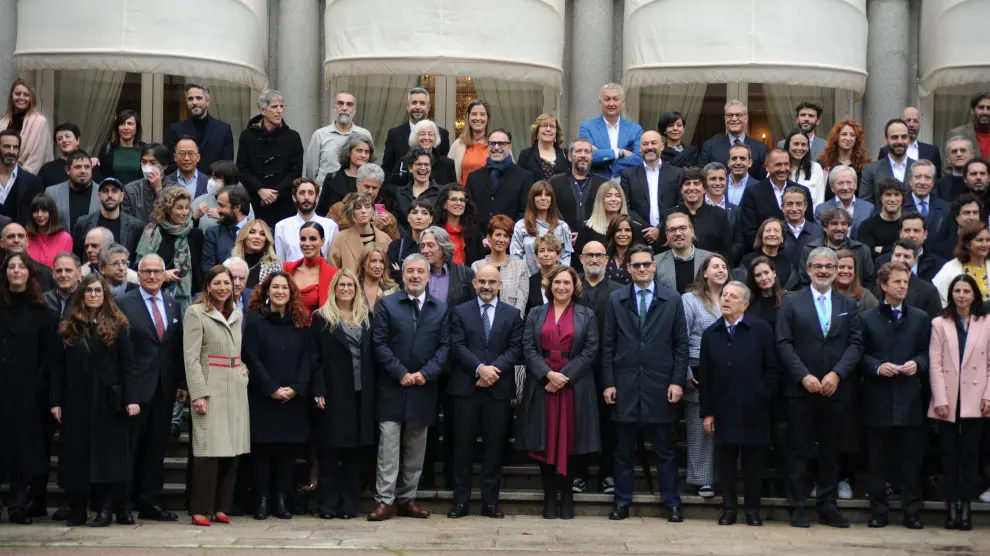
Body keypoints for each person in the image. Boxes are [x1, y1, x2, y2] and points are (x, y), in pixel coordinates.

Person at [777, 247, 864, 528]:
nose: (824, 271)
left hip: (835, 389)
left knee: (831, 450)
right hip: (801, 389)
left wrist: (837, 374)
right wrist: (803, 376)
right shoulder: (791, 302)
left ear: (837, 270)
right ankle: (798, 506)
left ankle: (827, 506)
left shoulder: (848, 304)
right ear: (809, 269)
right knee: (798, 450)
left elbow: (855, 344)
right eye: (819, 266)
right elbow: (784, 343)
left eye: (829, 266)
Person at [602, 243, 687, 523]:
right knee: (623, 450)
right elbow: (608, 344)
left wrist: (677, 381)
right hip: (625, 384)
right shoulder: (616, 300)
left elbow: (680, 344)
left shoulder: (672, 299)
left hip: (660, 385)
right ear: (628, 268)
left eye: (645, 264)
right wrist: (609, 382)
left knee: (664, 449)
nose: (641, 269)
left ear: (653, 266)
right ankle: (622, 502)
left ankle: (672, 503)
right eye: (635, 265)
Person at [51, 272, 138, 527]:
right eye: (88, 291)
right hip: (75, 401)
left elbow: (128, 367)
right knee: (76, 457)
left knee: (107, 459)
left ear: (105, 295)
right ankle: (78, 508)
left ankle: (106, 509)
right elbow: (57, 367)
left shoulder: (118, 325)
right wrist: (55, 401)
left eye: (98, 291)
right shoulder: (68, 326)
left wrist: (131, 399)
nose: (93, 295)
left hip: (107, 402)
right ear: (81, 295)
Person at [368, 254, 450, 521]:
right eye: (410, 271)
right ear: (402, 275)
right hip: (392, 387)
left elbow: (445, 347)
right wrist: (401, 373)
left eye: (420, 272)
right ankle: (385, 501)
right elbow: (378, 344)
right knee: (388, 449)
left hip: (423, 388)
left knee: (416, 449)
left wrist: (425, 374)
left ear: (428, 276)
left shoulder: (440, 308)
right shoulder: (387, 305)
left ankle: (408, 498)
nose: (415, 276)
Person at [518, 265, 600, 519]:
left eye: (567, 282)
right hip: (543, 385)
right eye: (557, 282)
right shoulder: (535, 313)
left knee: (570, 441)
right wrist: (548, 375)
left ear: (574, 286)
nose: (561, 287)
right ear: (549, 285)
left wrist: (564, 377)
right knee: (545, 440)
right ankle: (549, 498)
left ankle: (567, 497)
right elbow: (529, 348)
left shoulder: (586, 314)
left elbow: (590, 349)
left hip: (573, 386)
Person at [446, 264, 524, 519]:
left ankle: (490, 502)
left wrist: (492, 371)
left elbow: (515, 349)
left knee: (494, 449)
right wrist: (479, 369)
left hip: (498, 391)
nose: (487, 287)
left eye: (492, 282)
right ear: (474, 283)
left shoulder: (512, 314)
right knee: (462, 448)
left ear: (500, 285)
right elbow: (456, 345)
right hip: (466, 389)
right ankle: (461, 502)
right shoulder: (460, 311)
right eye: (482, 282)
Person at [699, 280, 777, 526]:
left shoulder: (761, 329)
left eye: (733, 297)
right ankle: (729, 509)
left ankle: (752, 510)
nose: (726, 299)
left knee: (754, 463)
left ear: (745, 304)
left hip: (755, 408)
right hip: (723, 408)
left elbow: (773, 370)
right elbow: (706, 376)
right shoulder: (711, 334)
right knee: (725, 463)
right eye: (724, 295)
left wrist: (761, 395)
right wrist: (707, 412)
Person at [859, 262, 930, 529]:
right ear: (884, 285)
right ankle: (879, 511)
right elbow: (860, 355)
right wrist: (877, 366)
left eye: (905, 282)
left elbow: (926, 353)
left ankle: (912, 511)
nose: (902, 286)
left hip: (910, 398)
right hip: (878, 398)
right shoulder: (867, 318)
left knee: (911, 460)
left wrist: (918, 364)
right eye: (897, 282)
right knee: (877, 460)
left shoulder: (920, 318)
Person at [115, 253, 185, 523]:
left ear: (164, 273)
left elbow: (174, 347)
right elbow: (120, 350)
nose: (153, 276)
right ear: (139, 274)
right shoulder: (123, 303)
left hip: (164, 390)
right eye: (147, 272)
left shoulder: (172, 303)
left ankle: (150, 502)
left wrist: (180, 382)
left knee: (156, 451)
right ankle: (122, 504)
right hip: (135, 390)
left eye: (158, 271)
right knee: (130, 448)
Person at [182, 265, 249, 526]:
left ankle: (222, 505)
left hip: (235, 386)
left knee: (232, 447)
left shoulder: (237, 313)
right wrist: (198, 393)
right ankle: (201, 508)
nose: (223, 288)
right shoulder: (195, 313)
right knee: (207, 448)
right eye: (217, 283)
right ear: (208, 286)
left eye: (227, 283)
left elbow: (237, 350)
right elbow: (191, 357)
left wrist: (243, 371)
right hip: (210, 385)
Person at [241, 271, 311, 520]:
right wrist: (271, 388)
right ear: (266, 291)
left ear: (291, 293)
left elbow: (307, 360)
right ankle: (262, 500)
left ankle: (281, 500)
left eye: (285, 288)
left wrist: (296, 387)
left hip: (293, 400)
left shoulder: (301, 323)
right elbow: (251, 357)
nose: (280, 291)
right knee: (262, 452)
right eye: (275, 287)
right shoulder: (255, 321)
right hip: (263, 397)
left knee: (288, 453)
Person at [309, 269, 376, 520]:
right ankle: (327, 505)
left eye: (350, 285)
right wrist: (318, 390)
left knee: (354, 455)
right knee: (329, 453)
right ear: (333, 288)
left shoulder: (367, 318)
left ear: (356, 289)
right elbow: (314, 359)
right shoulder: (321, 318)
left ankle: (349, 506)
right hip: (334, 394)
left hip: (362, 394)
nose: (346, 289)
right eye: (341, 285)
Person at [929, 274, 990, 531]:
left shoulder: (986, 322)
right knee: (950, 455)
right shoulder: (940, 323)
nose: (962, 296)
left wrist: (988, 395)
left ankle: (965, 506)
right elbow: (935, 363)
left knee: (970, 454)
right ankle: (951, 506)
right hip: (949, 397)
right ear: (951, 294)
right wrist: (940, 399)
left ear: (974, 294)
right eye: (957, 291)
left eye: (966, 291)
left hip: (976, 399)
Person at [0, 252, 56, 525]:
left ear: (30, 273)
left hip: (29, 392)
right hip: (1, 388)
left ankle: (18, 504)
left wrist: (37, 383)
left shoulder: (43, 311)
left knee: (24, 451)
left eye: (21, 266)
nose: (16, 271)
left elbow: (48, 355)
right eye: (11, 267)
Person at [681, 253, 731, 499]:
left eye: (724, 266)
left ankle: (724, 478)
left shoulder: (734, 297)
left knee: (726, 426)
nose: (721, 270)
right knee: (700, 428)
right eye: (715, 266)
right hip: (698, 370)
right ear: (704, 272)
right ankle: (702, 480)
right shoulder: (690, 300)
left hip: (729, 372)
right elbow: (680, 338)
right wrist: (685, 373)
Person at [574, 240, 622, 493]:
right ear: (581, 259)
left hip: (609, 368)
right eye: (589, 255)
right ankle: (578, 474)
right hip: (576, 368)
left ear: (607, 259)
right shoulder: (572, 289)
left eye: (599, 255)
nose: (594, 259)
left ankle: (608, 475)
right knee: (577, 422)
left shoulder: (619, 291)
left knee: (608, 424)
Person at [237, 90, 304, 228]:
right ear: (262, 110)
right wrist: (260, 190)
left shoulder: (293, 137)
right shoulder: (247, 136)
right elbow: (242, 169)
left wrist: (276, 192)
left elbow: (296, 171)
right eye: (274, 107)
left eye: (281, 106)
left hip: (284, 203)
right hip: (255, 202)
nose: (279, 111)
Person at [135, 188, 205, 311]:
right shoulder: (152, 233)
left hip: (190, 302)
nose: (184, 212)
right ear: (167, 210)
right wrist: (162, 275)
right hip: (156, 298)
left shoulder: (195, 234)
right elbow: (139, 269)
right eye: (179, 208)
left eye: (187, 207)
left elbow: (199, 273)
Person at [620, 130, 683, 247]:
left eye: (653, 143)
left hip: (670, 236)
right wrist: (647, 229)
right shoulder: (628, 175)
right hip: (639, 237)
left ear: (662, 146)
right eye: (645, 144)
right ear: (640, 148)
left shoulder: (677, 173)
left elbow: (679, 205)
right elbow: (625, 206)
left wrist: (660, 229)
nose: (649, 147)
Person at [740, 148, 814, 248]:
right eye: (778, 165)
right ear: (767, 167)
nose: (783, 169)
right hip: (765, 254)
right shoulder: (753, 192)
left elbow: (809, 225)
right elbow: (749, 231)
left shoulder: (802, 191)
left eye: (786, 164)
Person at [466, 129, 535, 230]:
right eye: (492, 144)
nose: (496, 147)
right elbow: (468, 212)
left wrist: (506, 235)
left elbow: (526, 212)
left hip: (510, 240)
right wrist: (481, 238)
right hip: (479, 241)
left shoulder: (524, 177)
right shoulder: (473, 178)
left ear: (510, 146)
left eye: (501, 144)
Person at [798, 206, 875, 288]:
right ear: (825, 227)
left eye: (844, 224)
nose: (839, 228)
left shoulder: (862, 250)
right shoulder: (810, 250)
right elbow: (804, 281)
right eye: (834, 223)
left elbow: (869, 282)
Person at [663, 167, 732, 259]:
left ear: (704, 189)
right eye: (687, 184)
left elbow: (726, 252)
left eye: (696, 183)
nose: (692, 188)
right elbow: (663, 250)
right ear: (681, 190)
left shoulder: (719, 215)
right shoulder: (669, 216)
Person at [71, 177, 143, 263]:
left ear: (122, 196)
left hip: (122, 274)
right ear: (99, 196)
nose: (110, 195)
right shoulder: (83, 223)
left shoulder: (135, 226)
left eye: (114, 191)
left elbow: (136, 260)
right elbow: (76, 256)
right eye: (105, 191)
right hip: (91, 274)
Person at [304, 91, 370, 185]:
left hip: (355, 193)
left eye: (349, 104)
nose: (344, 108)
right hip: (325, 193)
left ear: (354, 110)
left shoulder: (364, 134)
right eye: (340, 103)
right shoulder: (320, 135)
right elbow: (311, 172)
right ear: (334, 108)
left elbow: (369, 167)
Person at [165, 83, 235, 172]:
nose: (194, 102)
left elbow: (227, 165)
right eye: (190, 99)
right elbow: (171, 163)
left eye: (199, 98)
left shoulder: (223, 129)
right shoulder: (175, 129)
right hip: (183, 183)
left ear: (207, 101)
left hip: (213, 182)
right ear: (186, 102)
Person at [579, 83, 643, 178]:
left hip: (626, 183)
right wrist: (620, 152)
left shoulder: (635, 129)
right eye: (607, 99)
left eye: (615, 99)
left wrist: (612, 165)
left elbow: (638, 159)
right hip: (597, 183)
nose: (611, 103)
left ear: (623, 102)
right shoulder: (587, 127)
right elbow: (589, 156)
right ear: (600, 102)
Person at [382, 87, 451, 174]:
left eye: (422, 103)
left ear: (428, 107)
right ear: (407, 107)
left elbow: (444, 167)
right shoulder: (394, 135)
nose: (418, 107)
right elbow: (387, 169)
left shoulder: (442, 134)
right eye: (414, 103)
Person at [511, 181, 573, 276]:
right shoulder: (521, 226)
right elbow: (516, 257)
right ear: (532, 199)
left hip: (555, 281)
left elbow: (566, 257)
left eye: (547, 195)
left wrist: (559, 278)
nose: (543, 198)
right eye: (539, 195)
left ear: (552, 199)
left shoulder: (563, 227)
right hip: (527, 281)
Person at [872, 238, 942, 319]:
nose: (901, 260)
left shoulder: (929, 292)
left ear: (915, 261)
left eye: (907, 256)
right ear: (891, 257)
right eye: (897, 255)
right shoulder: (879, 288)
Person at [273, 177, 338, 263]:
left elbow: (333, 263)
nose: (306, 197)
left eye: (311, 193)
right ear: (294, 197)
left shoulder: (330, 226)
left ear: (317, 198)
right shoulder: (282, 227)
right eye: (302, 193)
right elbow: (280, 263)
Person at [700, 100, 768, 180]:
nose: (734, 119)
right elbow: (702, 176)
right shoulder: (710, 146)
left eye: (738, 115)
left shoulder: (761, 148)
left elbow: (763, 180)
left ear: (746, 118)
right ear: (725, 119)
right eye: (730, 115)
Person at [573, 179, 641, 261]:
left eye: (617, 196)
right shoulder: (587, 228)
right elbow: (578, 259)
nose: (613, 199)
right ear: (600, 200)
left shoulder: (635, 227)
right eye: (608, 196)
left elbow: (641, 256)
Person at [548, 139, 605, 233]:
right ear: (569, 156)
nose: (583, 155)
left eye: (587, 152)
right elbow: (548, 212)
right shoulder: (554, 183)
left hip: (595, 241)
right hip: (561, 240)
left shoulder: (602, 184)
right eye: (578, 151)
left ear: (591, 156)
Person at [327, 164, 398, 240]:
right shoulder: (338, 209)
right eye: (367, 187)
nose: (370, 191)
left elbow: (395, 247)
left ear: (379, 188)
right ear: (357, 184)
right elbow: (327, 238)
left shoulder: (387, 217)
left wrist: (385, 229)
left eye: (374, 188)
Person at [283, 221, 339, 316]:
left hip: (316, 329)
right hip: (286, 328)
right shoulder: (286, 268)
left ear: (322, 241)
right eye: (303, 239)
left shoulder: (334, 274)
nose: (307, 243)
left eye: (313, 239)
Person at [329, 193, 392, 274]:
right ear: (351, 212)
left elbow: (389, 272)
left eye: (367, 207)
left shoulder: (385, 239)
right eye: (358, 208)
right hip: (350, 285)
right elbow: (333, 270)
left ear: (373, 210)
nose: (363, 211)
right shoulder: (341, 238)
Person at [0, 79, 52, 174]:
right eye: (18, 94)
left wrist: (15, 177)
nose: (21, 97)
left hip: (26, 178)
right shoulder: (2, 122)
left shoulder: (40, 121)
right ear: (12, 96)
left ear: (31, 98)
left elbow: (36, 159)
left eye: (26, 95)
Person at [933, 221, 990, 307]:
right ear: (967, 244)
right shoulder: (950, 268)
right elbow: (940, 301)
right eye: (980, 240)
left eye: (988, 240)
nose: (985, 244)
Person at [315, 132, 374, 216]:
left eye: (367, 152)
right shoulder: (332, 178)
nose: (363, 155)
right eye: (359, 151)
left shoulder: (373, 179)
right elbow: (322, 210)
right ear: (348, 152)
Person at [654, 212, 713, 294]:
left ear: (692, 231)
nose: (678, 233)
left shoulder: (710, 259)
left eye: (683, 228)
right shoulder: (656, 262)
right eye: (672, 230)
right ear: (667, 235)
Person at [387, 119, 456, 189]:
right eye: (422, 134)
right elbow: (392, 187)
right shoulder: (404, 162)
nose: (426, 138)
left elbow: (453, 190)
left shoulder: (447, 164)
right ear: (415, 137)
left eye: (430, 134)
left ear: (435, 138)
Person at [191, 160, 256, 231]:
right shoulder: (200, 201)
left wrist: (224, 218)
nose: (210, 181)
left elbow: (250, 230)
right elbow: (186, 229)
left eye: (215, 178)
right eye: (209, 177)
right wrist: (194, 218)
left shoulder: (243, 203)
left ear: (229, 179)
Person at [860, 119, 914, 203]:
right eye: (894, 137)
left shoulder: (918, 169)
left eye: (904, 137)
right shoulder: (871, 170)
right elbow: (865, 205)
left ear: (909, 139)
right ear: (886, 140)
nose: (899, 141)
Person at [814, 164, 875, 240]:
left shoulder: (868, 209)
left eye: (849, 182)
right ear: (832, 187)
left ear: (855, 185)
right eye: (840, 183)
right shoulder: (822, 209)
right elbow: (820, 238)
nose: (845, 187)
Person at [878, 107, 942, 177]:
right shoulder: (885, 151)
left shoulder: (932, 151)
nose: (912, 124)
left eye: (915, 121)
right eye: (908, 120)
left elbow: (936, 180)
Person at [902, 160, 951, 252]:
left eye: (927, 178)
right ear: (910, 181)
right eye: (917, 177)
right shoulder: (899, 207)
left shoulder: (945, 208)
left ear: (933, 183)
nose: (922, 182)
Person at [121, 143, 177, 224]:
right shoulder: (130, 189)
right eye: (144, 162)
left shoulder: (175, 189)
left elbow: (174, 219)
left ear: (164, 166)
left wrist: (158, 190)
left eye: (152, 163)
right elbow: (127, 223)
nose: (147, 166)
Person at [44, 149, 98, 232]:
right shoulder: (52, 193)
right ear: (67, 170)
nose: (83, 171)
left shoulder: (102, 193)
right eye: (78, 167)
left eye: (87, 167)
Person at [702, 162, 745, 263]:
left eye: (721, 179)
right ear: (704, 182)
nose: (717, 183)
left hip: (728, 265)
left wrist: (724, 259)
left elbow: (739, 242)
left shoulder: (736, 211)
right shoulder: (697, 207)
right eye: (713, 179)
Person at [391, 148, 442, 232]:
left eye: (426, 164)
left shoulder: (441, 192)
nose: (423, 168)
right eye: (419, 164)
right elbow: (396, 222)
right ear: (410, 168)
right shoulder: (400, 193)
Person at [202, 185, 252, 270]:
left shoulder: (261, 233)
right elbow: (208, 270)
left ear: (237, 207)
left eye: (221, 206)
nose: (217, 210)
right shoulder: (213, 234)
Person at [38, 123, 102, 188]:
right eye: (60, 139)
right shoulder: (47, 169)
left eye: (67, 136)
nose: (64, 140)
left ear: (78, 140)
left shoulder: (91, 165)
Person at [739, 218, 795, 290]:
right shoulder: (747, 259)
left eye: (776, 231)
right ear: (761, 237)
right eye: (768, 231)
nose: (772, 234)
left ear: (782, 238)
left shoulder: (787, 263)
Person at [431, 184, 480, 265]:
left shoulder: (473, 232)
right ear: (444, 204)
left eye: (462, 200)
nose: (458, 203)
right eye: (453, 199)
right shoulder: (435, 232)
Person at [387, 200, 433, 284]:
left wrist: (401, 273)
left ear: (431, 219)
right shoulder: (396, 246)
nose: (419, 217)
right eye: (414, 212)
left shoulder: (436, 248)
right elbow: (390, 276)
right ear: (408, 217)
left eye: (424, 213)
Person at [858, 178, 906, 255]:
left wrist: (882, 249)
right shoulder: (867, 226)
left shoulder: (908, 225)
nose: (892, 199)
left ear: (902, 198)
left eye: (896, 194)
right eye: (888, 194)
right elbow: (868, 255)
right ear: (881, 198)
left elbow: (913, 250)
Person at [96, 110, 146, 185]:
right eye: (122, 124)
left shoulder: (145, 149)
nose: (126, 127)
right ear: (117, 128)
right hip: (112, 195)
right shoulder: (107, 148)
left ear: (137, 127)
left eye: (130, 124)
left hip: (137, 195)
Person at [230, 219, 282, 289]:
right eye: (252, 232)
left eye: (262, 234)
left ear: (266, 240)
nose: (257, 237)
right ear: (244, 236)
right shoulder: (230, 263)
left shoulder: (274, 266)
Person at [518, 113, 570, 181]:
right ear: (537, 130)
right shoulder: (526, 154)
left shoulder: (565, 154)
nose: (548, 129)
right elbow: (520, 181)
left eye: (552, 126)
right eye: (544, 125)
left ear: (556, 132)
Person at [25, 193, 72, 268]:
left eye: (44, 211)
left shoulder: (65, 238)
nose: (39, 215)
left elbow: (65, 268)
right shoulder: (25, 237)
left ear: (52, 213)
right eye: (36, 211)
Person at [450, 99, 491, 185]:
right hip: (464, 196)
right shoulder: (458, 144)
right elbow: (449, 176)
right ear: (468, 118)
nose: (478, 118)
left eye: (482, 114)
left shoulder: (496, 144)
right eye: (474, 114)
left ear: (488, 118)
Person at [783, 129, 826, 208]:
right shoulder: (779, 168)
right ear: (788, 146)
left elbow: (819, 201)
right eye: (796, 144)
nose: (800, 148)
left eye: (803, 145)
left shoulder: (816, 168)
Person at [526, 234, 565, 316]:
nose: (546, 254)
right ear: (536, 256)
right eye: (542, 250)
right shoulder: (530, 282)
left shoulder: (567, 279)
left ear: (558, 255)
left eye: (550, 250)